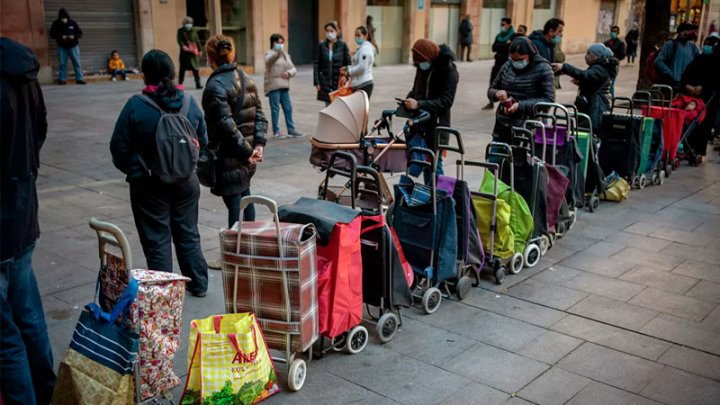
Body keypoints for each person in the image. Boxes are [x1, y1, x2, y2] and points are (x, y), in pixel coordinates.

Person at [110, 50, 209, 297]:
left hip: (149, 184)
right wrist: (188, 167)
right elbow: (204, 141)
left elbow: (118, 148)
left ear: (146, 76)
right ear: (173, 72)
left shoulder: (136, 106)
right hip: (187, 183)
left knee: (157, 240)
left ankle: (166, 294)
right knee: (188, 234)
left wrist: (137, 170)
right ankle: (198, 284)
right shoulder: (189, 103)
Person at [0, 36, 56, 405]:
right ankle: (49, 391)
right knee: (30, 318)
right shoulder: (25, 73)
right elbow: (40, 130)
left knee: (5, 337)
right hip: (22, 211)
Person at [202, 35, 267, 269]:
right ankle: (248, 249)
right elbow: (260, 114)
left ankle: (234, 257)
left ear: (209, 57)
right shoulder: (245, 77)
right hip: (245, 156)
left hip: (231, 157)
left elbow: (225, 127)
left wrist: (249, 150)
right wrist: (256, 146)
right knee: (244, 198)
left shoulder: (215, 87)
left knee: (236, 204)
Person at [401, 38, 459, 182]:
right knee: (424, 162)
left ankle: (439, 200)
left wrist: (419, 104)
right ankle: (430, 198)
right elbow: (416, 91)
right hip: (421, 124)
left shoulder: (448, 70)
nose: (420, 65)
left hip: (438, 126)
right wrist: (408, 101)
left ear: (429, 56)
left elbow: (446, 101)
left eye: (421, 61)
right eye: (418, 63)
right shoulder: (422, 67)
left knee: (434, 167)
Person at [488, 37, 555, 142]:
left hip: (530, 126)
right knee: (496, 156)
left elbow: (548, 100)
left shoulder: (543, 68)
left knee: (521, 157)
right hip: (504, 124)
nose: (516, 62)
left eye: (520, 59)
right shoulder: (507, 66)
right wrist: (497, 93)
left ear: (530, 54)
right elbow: (492, 89)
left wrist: (520, 105)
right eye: (513, 59)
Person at [552, 43, 619, 134]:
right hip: (593, 107)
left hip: (596, 109)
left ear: (596, 57)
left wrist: (564, 67)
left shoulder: (599, 69)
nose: (586, 56)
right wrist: (581, 82)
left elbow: (585, 75)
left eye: (589, 54)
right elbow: (591, 81)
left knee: (590, 134)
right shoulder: (599, 67)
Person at [681, 36, 720, 161]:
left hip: (709, 97)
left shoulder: (715, 62)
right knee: (691, 120)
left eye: (710, 45)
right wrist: (687, 86)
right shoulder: (699, 59)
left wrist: (702, 87)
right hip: (693, 96)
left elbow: (714, 80)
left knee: (704, 123)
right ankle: (688, 147)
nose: (707, 47)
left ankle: (698, 149)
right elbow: (687, 74)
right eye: (706, 44)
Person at [264, 33, 303, 139]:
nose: (280, 45)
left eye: (281, 42)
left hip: (284, 85)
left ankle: (291, 129)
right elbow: (268, 62)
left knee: (288, 108)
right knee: (275, 109)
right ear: (273, 43)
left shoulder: (286, 55)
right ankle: (276, 131)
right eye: (278, 42)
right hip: (273, 86)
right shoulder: (269, 53)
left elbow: (293, 68)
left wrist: (289, 73)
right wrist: (277, 53)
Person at [314, 22, 351, 105]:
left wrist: (345, 76)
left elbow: (348, 63)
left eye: (331, 30)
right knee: (328, 107)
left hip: (339, 82)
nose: (329, 33)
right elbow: (317, 64)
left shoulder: (343, 45)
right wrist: (317, 82)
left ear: (336, 31)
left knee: (339, 106)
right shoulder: (322, 46)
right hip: (326, 82)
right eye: (327, 31)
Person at [483, 17, 517, 110]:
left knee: (507, 84)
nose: (501, 26)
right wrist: (505, 44)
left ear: (509, 25)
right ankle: (491, 102)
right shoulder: (499, 36)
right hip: (497, 62)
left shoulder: (513, 36)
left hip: (507, 63)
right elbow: (494, 48)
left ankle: (507, 104)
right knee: (493, 82)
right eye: (501, 24)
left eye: (503, 24)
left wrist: (502, 46)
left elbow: (510, 49)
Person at [655, 22, 699, 91]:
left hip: (687, 87)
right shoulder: (670, 45)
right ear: (681, 32)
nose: (692, 32)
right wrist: (671, 74)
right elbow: (658, 61)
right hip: (672, 86)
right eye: (689, 30)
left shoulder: (693, 48)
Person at [48, 8, 85, 85]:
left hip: (73, 46)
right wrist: (61, 36)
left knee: (77, 62)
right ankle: (62, 79)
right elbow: (52, 34)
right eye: (62, 18)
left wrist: (74, 36)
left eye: (65, 18)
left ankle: (79, 79)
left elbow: (80, 33)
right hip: (62, 46)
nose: (64, 20)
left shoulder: (72, 23)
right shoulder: (56, 24)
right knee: (62, 63)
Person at [344, 26, 375, 98]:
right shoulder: (361, 48)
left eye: (358, 35)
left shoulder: (365, 49)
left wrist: (348, 72)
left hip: (364, 84)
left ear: (365, 36)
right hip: (359, 83)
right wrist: (347, 68)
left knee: (360, 108)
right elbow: (356, 64)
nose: (356, 38)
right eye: (355, 35)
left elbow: (362, 67)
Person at [177, 16, 203, 89]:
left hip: (193, 53)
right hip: (185, 53)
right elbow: (179, 40)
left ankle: (198, 84)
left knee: (196, 69)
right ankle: (180, 84)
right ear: (184, 23)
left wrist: (200, 50)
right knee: (182, 69)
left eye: (190, 23)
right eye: (187, 23)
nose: (189, 24)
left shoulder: (194, 30)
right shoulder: (181, 30)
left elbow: (197, 41)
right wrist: (183, 46)